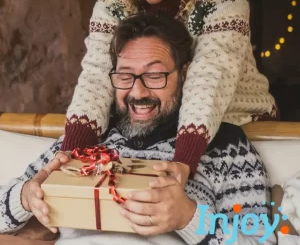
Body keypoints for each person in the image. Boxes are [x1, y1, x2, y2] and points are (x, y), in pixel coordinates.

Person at [0, 13, 276, 245]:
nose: (137, 91)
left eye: (154, 76)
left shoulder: (225, 146)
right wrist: (25, 197)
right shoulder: (87, 139)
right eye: (125, 76)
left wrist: (189, 218)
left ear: (186, 75)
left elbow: (259, 240)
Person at [60, 0, 278, 185]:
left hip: (234, 123)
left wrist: (183, 161)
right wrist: (71, 152)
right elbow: (97, 73)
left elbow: (210, 77)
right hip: (160, 127)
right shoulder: (113, 0)